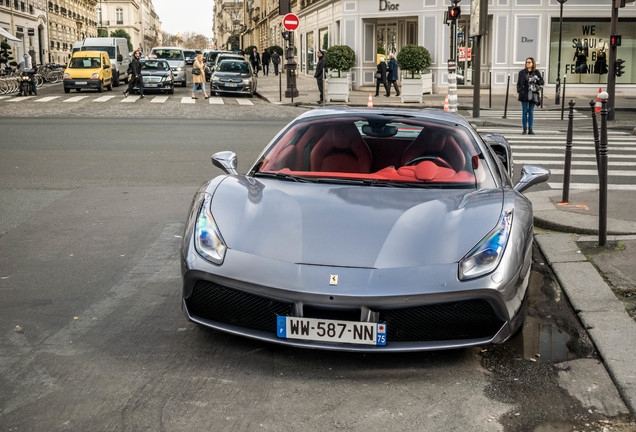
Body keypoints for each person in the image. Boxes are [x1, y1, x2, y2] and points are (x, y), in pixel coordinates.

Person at [516, 57, 543, 135]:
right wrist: (519, 90)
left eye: (529, 62)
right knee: (524, 112)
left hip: (533, 94)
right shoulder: (522, 72)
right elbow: (518, 83)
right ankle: (524, 129)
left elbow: (542, 82)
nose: (527, 64)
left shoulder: (536, 72)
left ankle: (530, 129)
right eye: (526, 62)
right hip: (524, 93)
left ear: (533, 63)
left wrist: (536, 80)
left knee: (531, 112)